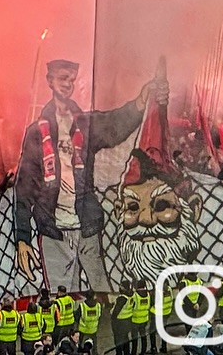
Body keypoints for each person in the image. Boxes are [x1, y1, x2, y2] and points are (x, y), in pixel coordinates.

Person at [14, 59, 166, 290]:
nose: (68, 84)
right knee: (62, 299)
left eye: (72, 80)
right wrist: (22, 238)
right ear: (50, 81)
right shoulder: (36, 132)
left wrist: (141, 100)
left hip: (86, 225)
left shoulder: (85, 124)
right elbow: (25, 187)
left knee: (101, 291)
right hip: (53, 230)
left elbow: (115, 124)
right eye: (62, 78)